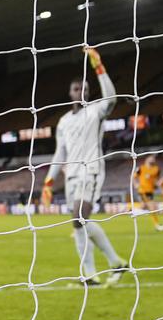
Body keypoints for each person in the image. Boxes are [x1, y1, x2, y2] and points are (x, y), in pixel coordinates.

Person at [42, 48, 129, 286]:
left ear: (89, 93)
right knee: (78, 224)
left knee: (79, 218)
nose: (81, 92)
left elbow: (111, 98)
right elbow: (60, 151)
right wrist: (48, 181)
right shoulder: (63, 121)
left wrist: (98, 66)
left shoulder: (95, 112)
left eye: (85, 89)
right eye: (77, 88)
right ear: (70, 92)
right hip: (70, 176)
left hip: (90, 171)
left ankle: (115, 262)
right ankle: (93, 273)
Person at [133, 156, 163, 231]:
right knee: (152, 207)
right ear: (146, 159)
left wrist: (160, 183)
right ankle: (157, 225)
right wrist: (135, 184)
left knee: (143, 206)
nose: (152, 159)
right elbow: (133, 177)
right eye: (150, 158)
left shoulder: (156, 169)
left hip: (151, 191)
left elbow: (156, 181)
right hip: (143, 190)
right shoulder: (141, 168)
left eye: (153, 158)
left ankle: (132, 210)